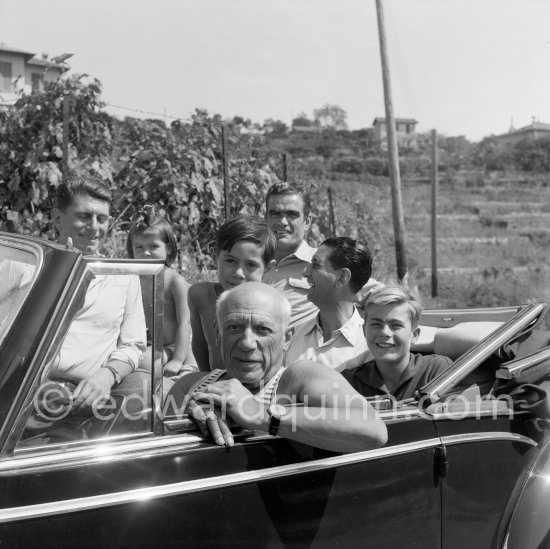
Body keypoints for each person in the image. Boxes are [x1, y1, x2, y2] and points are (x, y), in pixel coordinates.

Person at [166, 282, 387, 452]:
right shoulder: (192, 386)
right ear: (217, 332)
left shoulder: (298, 380)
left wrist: (261, 416)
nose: (247, 343)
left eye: (263, 330)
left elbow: (373, 431)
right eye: (234, 327)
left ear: (286, 337)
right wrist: (193, 421)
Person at [47, 175, 147, 417]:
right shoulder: (31, 267)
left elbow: (133, 345)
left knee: (147, 388)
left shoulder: (123, 275)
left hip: (90, 396)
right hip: (25, 391)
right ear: (57, 218)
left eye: (101, 219)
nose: (94, 227)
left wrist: (107, 375)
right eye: (83, 216)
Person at [188, 214, 276, 372]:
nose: (239, 273)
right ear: (216, 258)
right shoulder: (201, 296)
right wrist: (205, 381)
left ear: (268, 269)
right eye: (230, 261)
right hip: (215, 383)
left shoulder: (273, 306)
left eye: (250, 265)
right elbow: (200, 345)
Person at [285, 236, 380, 372]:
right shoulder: (294, 335)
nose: (305, 272)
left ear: (342, 277)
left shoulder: (367, 347)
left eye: (316, 265)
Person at [343, 286, 453, 401]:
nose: (385, 333)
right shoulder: (349, 383)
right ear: (364, 331)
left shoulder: (435, 370)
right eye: (376, 324)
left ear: (414, 335)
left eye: (396, 325)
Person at [127, 206, 196, 377]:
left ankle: (187, 367)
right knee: (135, 361)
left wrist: (178, 360)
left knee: (145, 364)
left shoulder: (174, 281)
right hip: (154, 344)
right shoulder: (134, 278)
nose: (146, 253)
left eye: (153, 246)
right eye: (139, 248)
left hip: (179, 345)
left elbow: (185, 323)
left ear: (169, 249)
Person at [262, 182, 318, 328]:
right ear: (265, 218)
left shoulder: (324, 264)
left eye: (291, 214)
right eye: (275, 214)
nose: (282, 222)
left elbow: (378, 295)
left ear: (307, 221)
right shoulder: (249, 261)